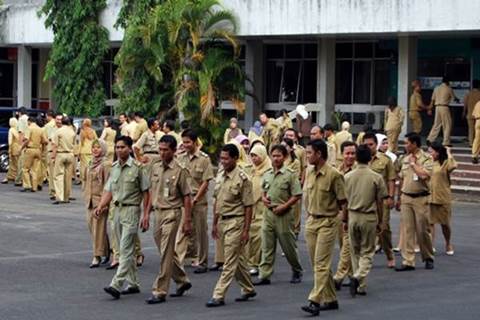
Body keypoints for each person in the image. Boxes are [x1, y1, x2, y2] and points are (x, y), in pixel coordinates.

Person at [94, 136, 150, 300]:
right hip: (116, 211)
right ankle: (133, 283)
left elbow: (147, 193)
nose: (119, 150)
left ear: (130, 148)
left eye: (122, 147)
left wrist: (146, 214)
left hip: (131, 210)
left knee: (125, 249)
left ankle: (116, 284)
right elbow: (109, 190)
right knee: (124, 248)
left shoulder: (138, 168)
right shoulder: (115, 168)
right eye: (117, 147)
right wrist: (101, 206)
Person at [142, 135, 193, 304]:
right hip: (158, 212)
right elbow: (151, 192)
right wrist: (146, 214)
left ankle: (160, 290)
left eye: (165, 150)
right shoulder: (155, 166)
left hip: (172, 213)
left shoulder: (180, 169)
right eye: (160, 149)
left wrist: (187, 221)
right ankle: (182, 280)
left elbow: (187, 196)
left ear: (173, 150)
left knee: (165, 252)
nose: (162, 153)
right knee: (166, 251)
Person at [206, 144, 256, 307]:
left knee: (229, 260)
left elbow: (248, 206)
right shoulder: (220, 175)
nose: (223, 161)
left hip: (237, 221)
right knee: (238, 258)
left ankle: (218, 294)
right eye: (221, 158)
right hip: (222, 221)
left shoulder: (243, 179)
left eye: (226, 158)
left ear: (235, 158)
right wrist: (214, 223)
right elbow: (217, 200)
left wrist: (246, 230)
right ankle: (248, 288)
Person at [301, 139, 346, 316]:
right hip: (312, 221)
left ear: (319, 154)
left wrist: (344, 223)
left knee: (321, 263)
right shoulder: (309, 172)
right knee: (317, 264)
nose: (307, 156)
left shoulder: (334, 175)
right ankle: (331, 298)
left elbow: (343, 202)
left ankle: (314, 300)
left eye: (309, 153)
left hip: (328, 222)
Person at [254, 144, 303, 285]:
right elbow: (264, 190)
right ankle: (264, 275)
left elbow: (297, 195)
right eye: (273, 156)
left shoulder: (290, 174)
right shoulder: (268, 174)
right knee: (267, 245)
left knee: (288, 246)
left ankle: (296, 269)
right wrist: (263, 198)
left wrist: (284, 206)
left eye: (278, 156)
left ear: (284, 157)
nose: (275, 158)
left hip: (284, 215)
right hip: (269, 214)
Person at [344, 144, 388, 297]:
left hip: (352, 215)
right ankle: (358, 277)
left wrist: (344, 219)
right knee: (368, 251)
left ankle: (360, 285)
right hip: (369, 216)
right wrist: (381, 220)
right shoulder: (376, 177)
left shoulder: (347, 176)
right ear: (370, 158)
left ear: (356, 157)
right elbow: (380, 201)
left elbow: (344, 201)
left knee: (355, 251)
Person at [395, 132, 435, 271]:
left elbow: (424, 175)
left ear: (415, 144)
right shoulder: (404, 158)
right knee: (407, 230)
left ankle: (428, 256)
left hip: (421, 197)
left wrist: (413, 164)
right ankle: (408, 261)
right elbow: (401, 177)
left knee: (422, 230)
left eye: (407, 143)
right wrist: (398, 197)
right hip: (406, 197)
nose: (405, 145)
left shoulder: (426, 158)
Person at [176, 129, 214, 274]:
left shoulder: (204, 159)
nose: (185, 145)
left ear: (195, 142)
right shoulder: (180, 158)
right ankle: (179, 259)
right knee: (183, 229)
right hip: (184, 199)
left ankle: (203, 261)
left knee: (200, 231)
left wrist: (196, 199)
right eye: (183, 142)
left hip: (198, 200)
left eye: (188, 142)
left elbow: (206, 182)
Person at [363, 132, 397, 268]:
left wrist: (390, 196)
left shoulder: (385, 160)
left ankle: (389, 253)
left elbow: (391, 179)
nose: (368, 147)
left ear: (376, 145)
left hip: (381, 199)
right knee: (366, 228)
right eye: (365, 145)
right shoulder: (360, 160)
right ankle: (367, 256)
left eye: (370, 144)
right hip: (365, 199)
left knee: (384, 228)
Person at [83, 139, 111, 268]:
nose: (95, 150)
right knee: (92, 228)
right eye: (93, 147)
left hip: (100, 201)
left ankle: (97, 256)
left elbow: (108, 185)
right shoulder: (90, 163)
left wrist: (104, 203)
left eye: (98, 147)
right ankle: (106, 250)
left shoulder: (106, 164)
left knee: (98, 229)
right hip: (89, 200)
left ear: (103, 149)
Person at [333, 141, 356, 290]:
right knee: (344, 245)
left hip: (355, 212)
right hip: (339, 212)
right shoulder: (336, 171)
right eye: (347, 153)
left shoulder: (359, 170)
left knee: (351, 246)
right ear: (342, 154)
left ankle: (343, 276)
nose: (350, 156)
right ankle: (352, 275)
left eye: (353, 153)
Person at [247, 143, 271, 276]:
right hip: (251, 210)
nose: (254, 158)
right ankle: (252, 262)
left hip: (263, 210)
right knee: (251, 237)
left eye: (256, 155)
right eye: (252, 156)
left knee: (260, 238)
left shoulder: (269, 171)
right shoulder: (251, 170)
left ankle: (258, 264)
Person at [428, 142, 457, 255]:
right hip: (430, 196)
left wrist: (449, 153)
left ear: (438, 152)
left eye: (432, 152)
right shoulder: (429, 163)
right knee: (430, 223)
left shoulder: (445, 163)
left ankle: (448, 243)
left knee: (445, 223)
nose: (430, 154)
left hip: (442, 197)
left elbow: (453, 166)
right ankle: (431, 244)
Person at [427, 77, 457, 146]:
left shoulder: (436, 88)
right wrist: (457, 99)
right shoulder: (448, 88)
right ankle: (446, 142)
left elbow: (432, 100)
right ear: (447, 82)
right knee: (447, 125)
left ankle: (430, 139)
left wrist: (430, 109)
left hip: (437, 107)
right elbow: (454, 98)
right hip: (444, 107)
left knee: (436, 124)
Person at [52, 117, 76, 204]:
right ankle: (66, 197)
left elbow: (55, 145)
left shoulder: (58, 131)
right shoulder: (72, 132)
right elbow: (74, 144)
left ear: (61, 122)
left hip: (60, 154)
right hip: (70, 154)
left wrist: (53, 157)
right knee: (68, 177)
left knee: (58, 176)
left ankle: (59, 197)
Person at [20, 117, 47, 192]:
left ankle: (27, 185)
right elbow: (45, 141)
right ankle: (34, 187)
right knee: (35, 170)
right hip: (38, 150)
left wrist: (21, 147)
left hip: (30, 149)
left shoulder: (29, 128)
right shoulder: (40, 129)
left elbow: (27, 140)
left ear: (29, 121)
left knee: (25, 168)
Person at [79, 119, 98, 184]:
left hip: (84, 150)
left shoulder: (82, 131)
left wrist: (78, 151)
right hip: (91, 150)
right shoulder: (93, 131)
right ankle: (91, 178)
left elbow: (81, 142)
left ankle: (84, 179)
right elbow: (96, 140)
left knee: (84, 166)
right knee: (91, 165)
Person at [2, 118, 20, 184]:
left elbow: (10, 141)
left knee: (13, 163)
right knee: (17, 163)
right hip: (19, 147)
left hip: (14, 148)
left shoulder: (11, 130)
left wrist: (9, 149)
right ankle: (11, 176)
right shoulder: (18, 129)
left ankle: (12, 177)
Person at [463, 80, 480, 147]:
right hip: (478, 115)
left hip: (470, 114)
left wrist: (464, 112)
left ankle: (471, 143)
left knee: (471, 130)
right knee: (478, 130)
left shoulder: (468, 94)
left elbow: (465, 104)